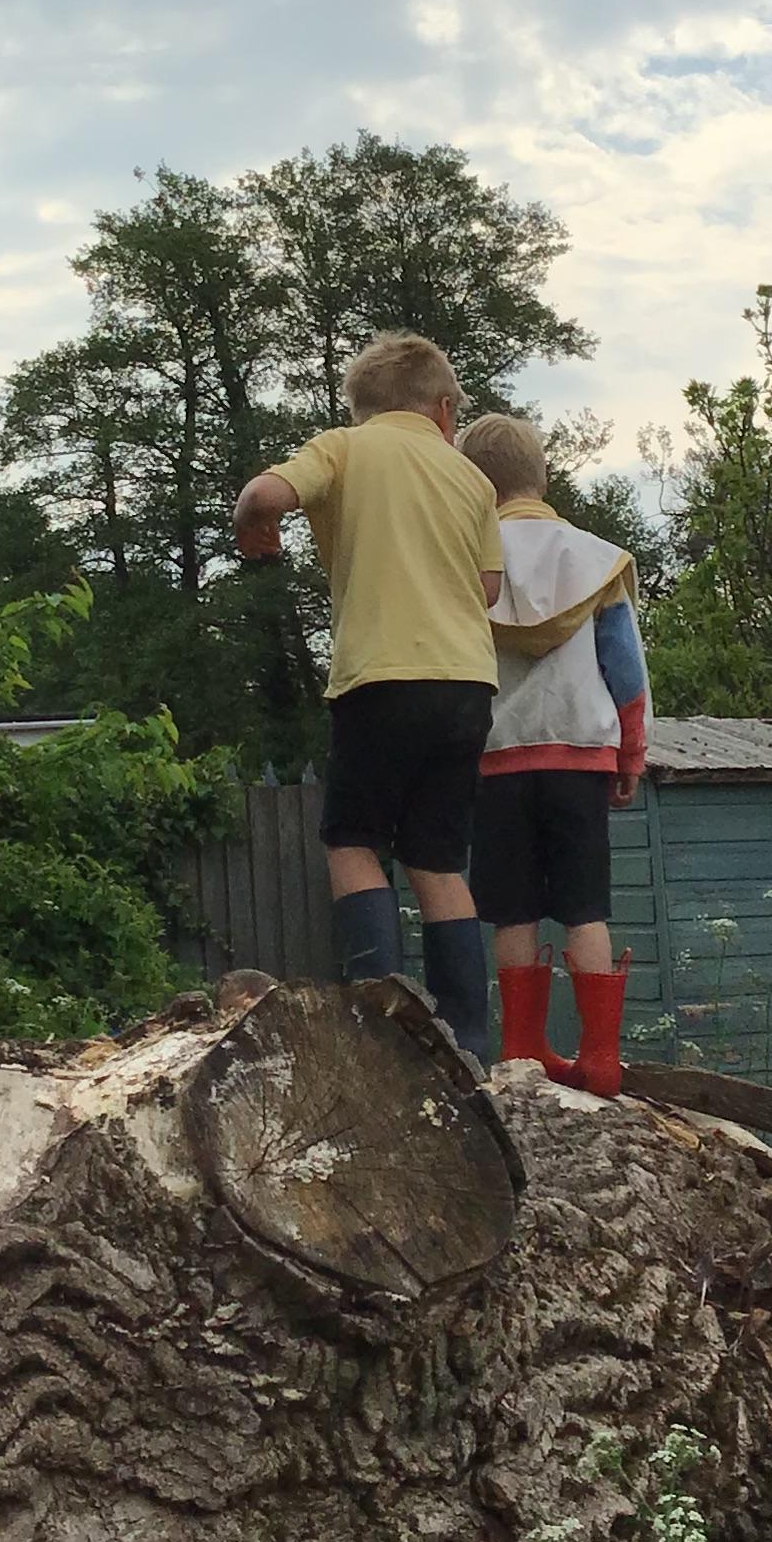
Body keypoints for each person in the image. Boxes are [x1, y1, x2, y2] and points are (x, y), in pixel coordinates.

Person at [232, 334, 504, 1056]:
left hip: (380, 678)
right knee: (438, 862)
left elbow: (264, 494)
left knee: (354, 843)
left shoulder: (345, 448)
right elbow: (487, 589)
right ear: (443, 410)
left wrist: (253, 526)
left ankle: (377, 1031)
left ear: (364, 408)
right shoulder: (471, 477)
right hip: (467, 685)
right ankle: (468, 1042)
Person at [456, 412, 650, 1095]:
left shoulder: (466, 565)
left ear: (475, 486)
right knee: (585, 908)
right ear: (541, 476)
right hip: (580, 759)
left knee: (513, 910)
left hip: (498, 759)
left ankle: (521, 1049)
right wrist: (631, 756)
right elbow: (625, 671)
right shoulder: (595, 560)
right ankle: (600, 1057)